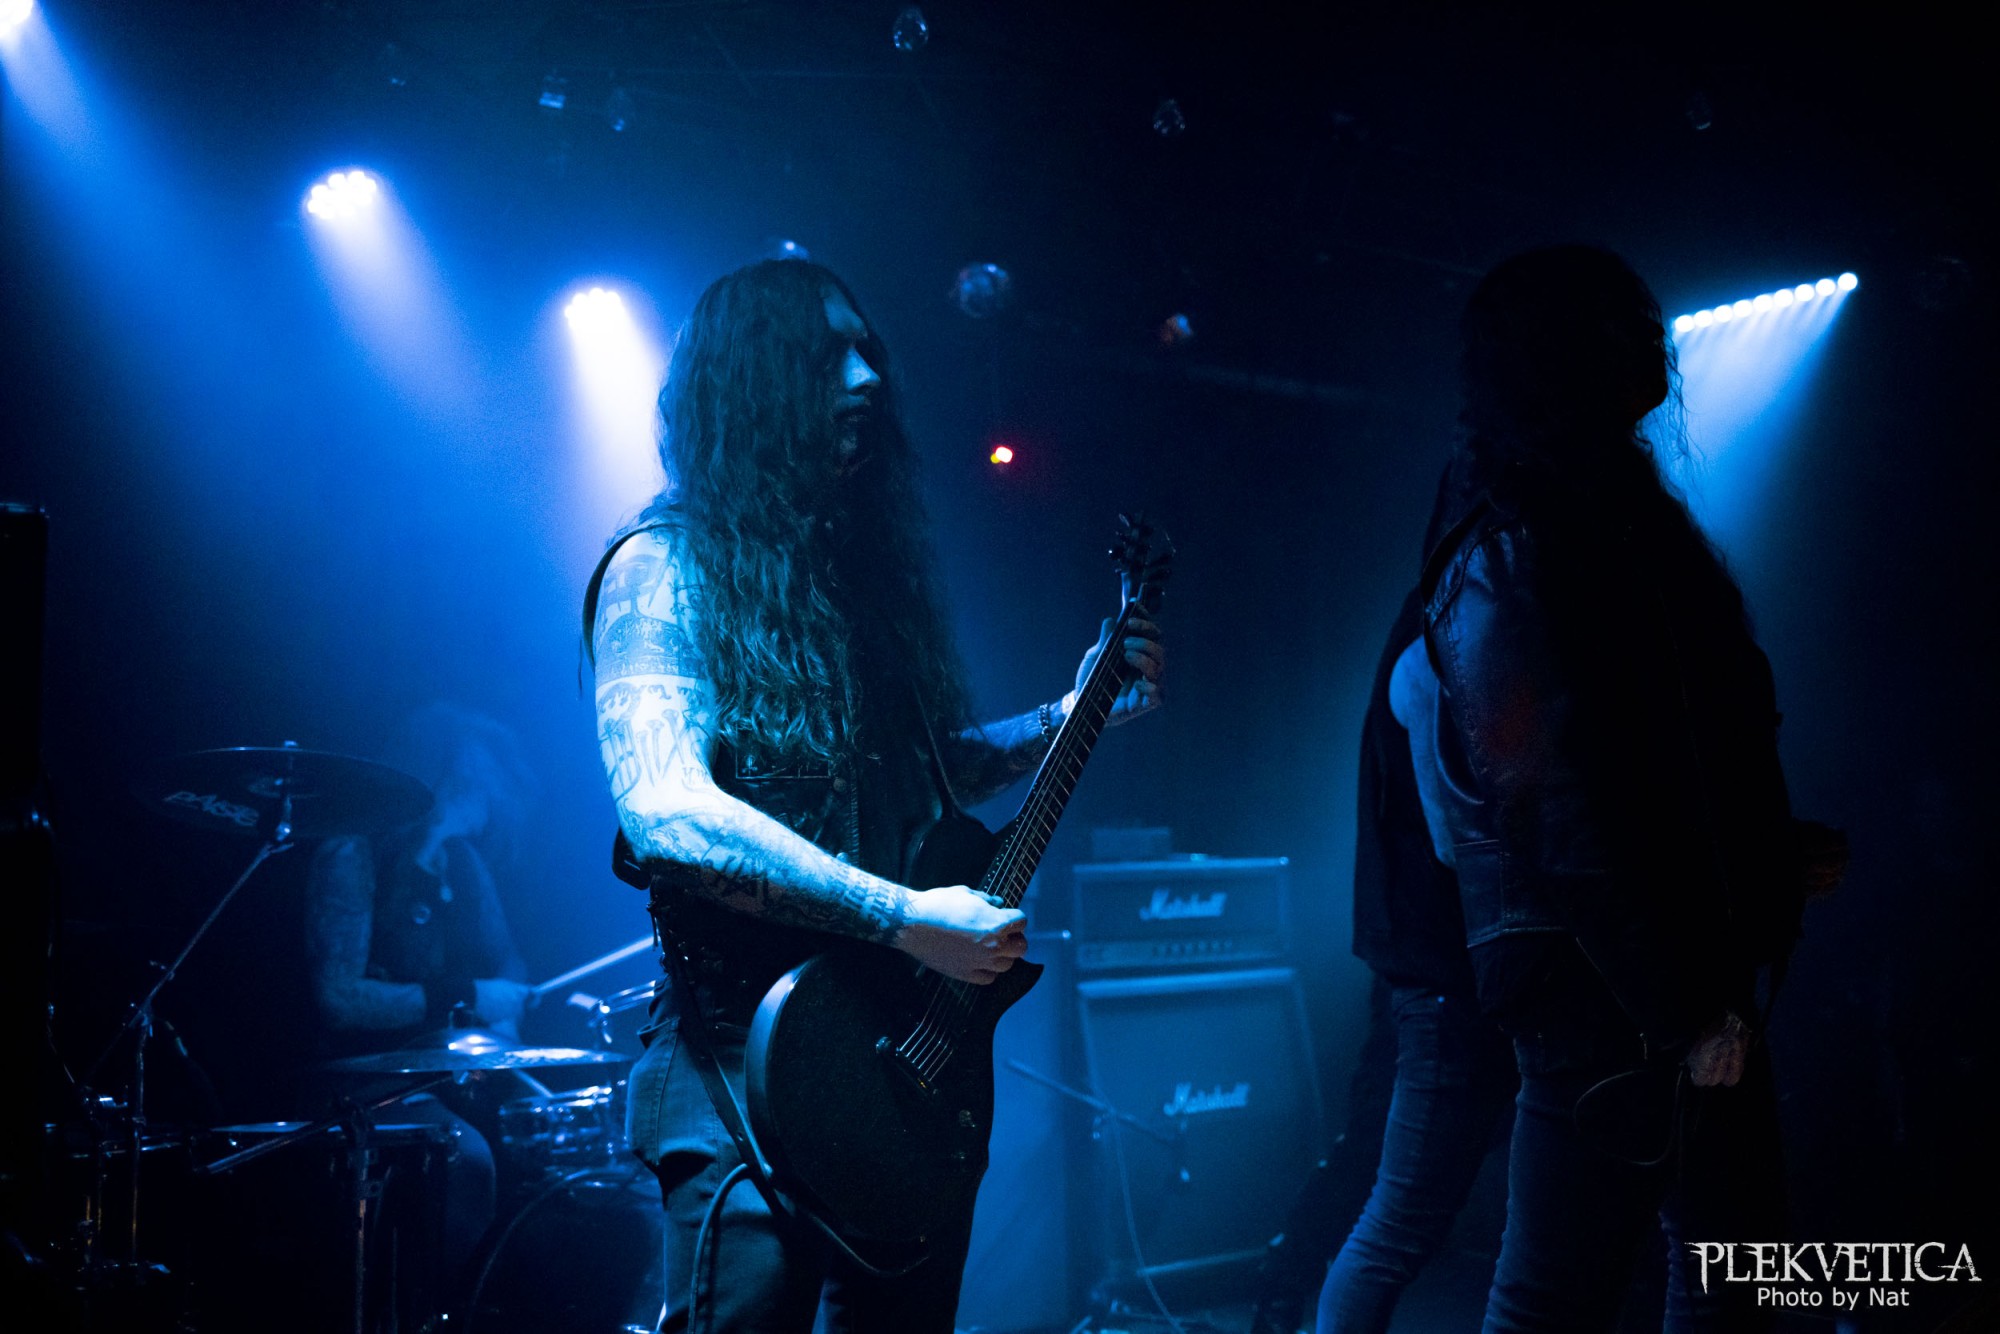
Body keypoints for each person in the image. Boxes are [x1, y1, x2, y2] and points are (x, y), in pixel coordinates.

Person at [583, 258, 1164, 1333]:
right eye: (827, 354)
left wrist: (1069, 713)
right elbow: (665, 810)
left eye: (868, 351)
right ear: (752, 382)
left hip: (892, 1062)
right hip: (738, 1062)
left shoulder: (849, 591)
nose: (865, 377)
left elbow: (917, 771)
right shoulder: (662, 568)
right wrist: (905, 918)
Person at [1411, 246, 1838, 1331]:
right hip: (1611, 998)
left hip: (1672, 979)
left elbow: (1661, 762)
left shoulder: (1609, 532)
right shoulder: (1510, 552)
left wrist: (1765, 853)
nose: (1654, 340)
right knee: (1564, 1299)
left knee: (1728, 1277)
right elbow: (1557, 808)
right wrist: (1682, 1007)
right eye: (1619, 321)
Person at [1311, 585, 1516, 1333]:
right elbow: (1452, 840)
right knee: (1398, 1223)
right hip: (1448, 977)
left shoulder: (1458, 628)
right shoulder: (1434, 649)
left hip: (1473, 974)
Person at [303, 702, 539, 1272]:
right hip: (369, 1084)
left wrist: (504, 1026)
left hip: (451, 1072)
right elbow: (338, 998)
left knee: (560, 1136)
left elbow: (509, 963)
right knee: (468, 1161)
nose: (489, 793)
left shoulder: (463, 862)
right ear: (437, 774)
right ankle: (439, 1305)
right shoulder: (353, 852)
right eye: (476, 777)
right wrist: (467, 995)